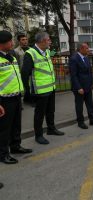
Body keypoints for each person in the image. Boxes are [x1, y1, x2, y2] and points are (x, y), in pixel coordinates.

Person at [22, 32, 65, 145]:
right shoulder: (30, 53)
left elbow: (52, 56)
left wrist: (55, 51)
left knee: (51, 111)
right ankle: (39, 135)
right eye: (48, 40)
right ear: (42, 41)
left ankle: (51, 129)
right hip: (40, 90)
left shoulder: (46, 51)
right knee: (39, 114)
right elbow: (24, 74)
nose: (50, 41)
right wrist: (27, 91)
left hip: (51, 87)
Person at [0, 30, 32, 164]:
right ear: (2, 44)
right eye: (10, 41)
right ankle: (3, 154)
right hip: (4, 99)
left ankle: (15, 146)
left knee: (16, 125)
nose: (13, 43)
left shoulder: (11, 57)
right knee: (4, 129)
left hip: (16, 96)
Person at [69, 43, 93, 129]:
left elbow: (89, 72)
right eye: (87, 48)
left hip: (88, 86)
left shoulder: (86, 58)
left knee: (90, 103)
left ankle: (92, 119)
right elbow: (73, 75)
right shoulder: (74, 59)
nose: (89, 50)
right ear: (81, 49)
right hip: (79, 87)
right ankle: (80, 122)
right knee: (79, 105)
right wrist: (78, 87)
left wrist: (92, 83)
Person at [12, 34, 33, 105]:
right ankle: (26, 100)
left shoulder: (31, 49)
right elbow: (16, 62)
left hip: (30, 71)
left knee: (29, 86)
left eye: (26, 39)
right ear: (19, 41)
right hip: (21, 72)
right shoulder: (16, 51)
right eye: (23, 40)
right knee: (25, 86)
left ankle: (28, 99)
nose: (25, 41)